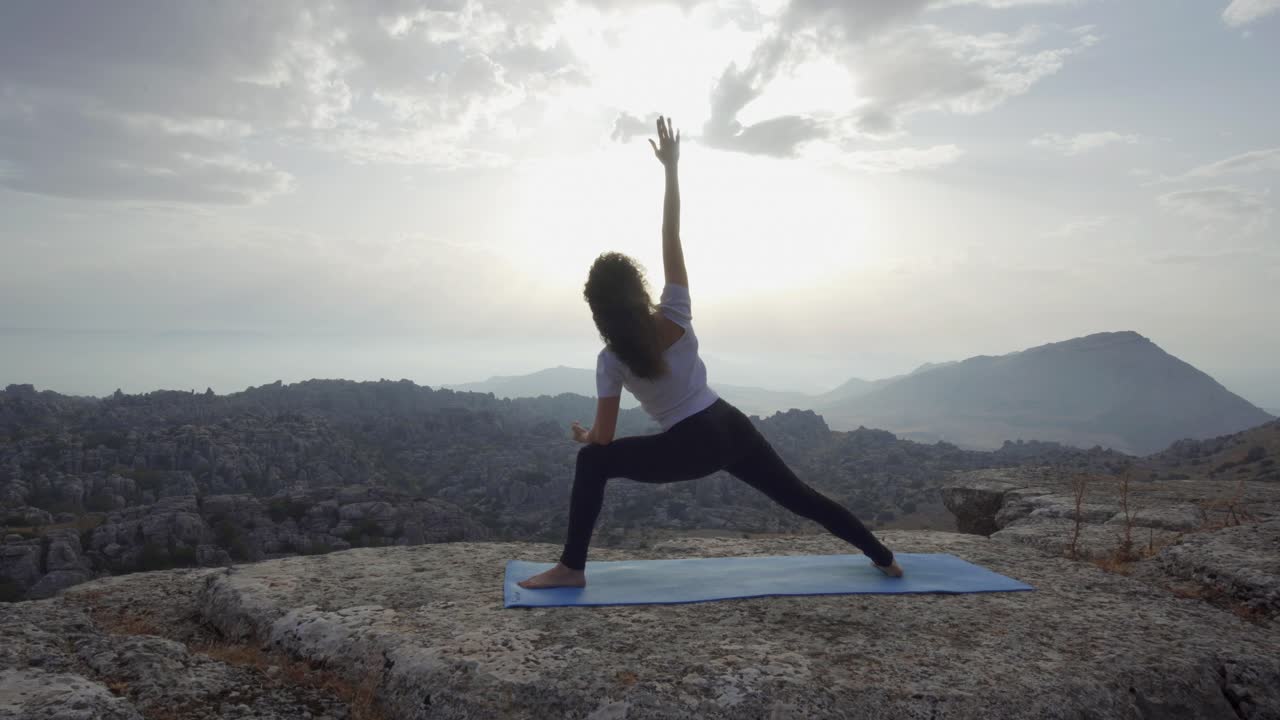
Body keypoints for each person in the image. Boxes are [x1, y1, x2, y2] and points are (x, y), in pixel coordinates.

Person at [518, 116, 902, 590]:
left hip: (690, 443)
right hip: (729, 422)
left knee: (592, 463)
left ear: (598, 310)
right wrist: (671, 169)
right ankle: (884, 558)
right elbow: (671, 234)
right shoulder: (675, 310)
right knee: (800, 496)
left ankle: (571, 567)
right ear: (638, 290)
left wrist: (585, 436)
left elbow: (605, 440)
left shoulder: (611, 359)